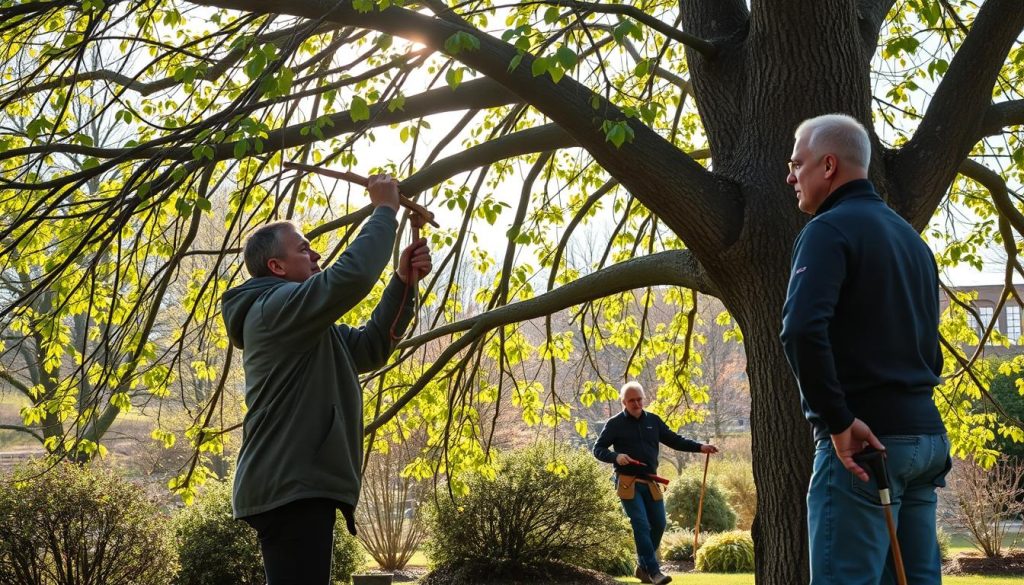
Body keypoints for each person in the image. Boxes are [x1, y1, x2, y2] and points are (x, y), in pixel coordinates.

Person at [220, 174, 432, 585]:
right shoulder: (272, 309)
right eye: (304, 248)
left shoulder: (309, 325)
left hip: (297, 485)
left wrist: (402, 282)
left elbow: (371, 346)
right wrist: (384, 210)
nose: (315, 254)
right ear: (276, 266)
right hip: (290, 485)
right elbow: (349, 279)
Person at [780, 113, 951, 585]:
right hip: (926, 443)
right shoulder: (913, 241)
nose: (790, 176)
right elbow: (929, 349)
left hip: (867, 448)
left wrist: (837, 421)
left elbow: (800, 331)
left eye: (797, 164)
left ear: (828, 165)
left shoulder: (827, 230)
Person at [593, 381, 718, 585]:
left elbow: (675, 440)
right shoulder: (614, 424)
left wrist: (700, 447)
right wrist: (616, 456)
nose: (636, 403)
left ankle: (642, 568)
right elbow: (598, 449)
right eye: (631, 400)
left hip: (651, 481)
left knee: (659, 524)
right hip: (627, 482)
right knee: (641, 524)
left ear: (643, 398)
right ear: (623, 402)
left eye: (639, 399)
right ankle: (654, 571)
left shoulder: (654, 421)